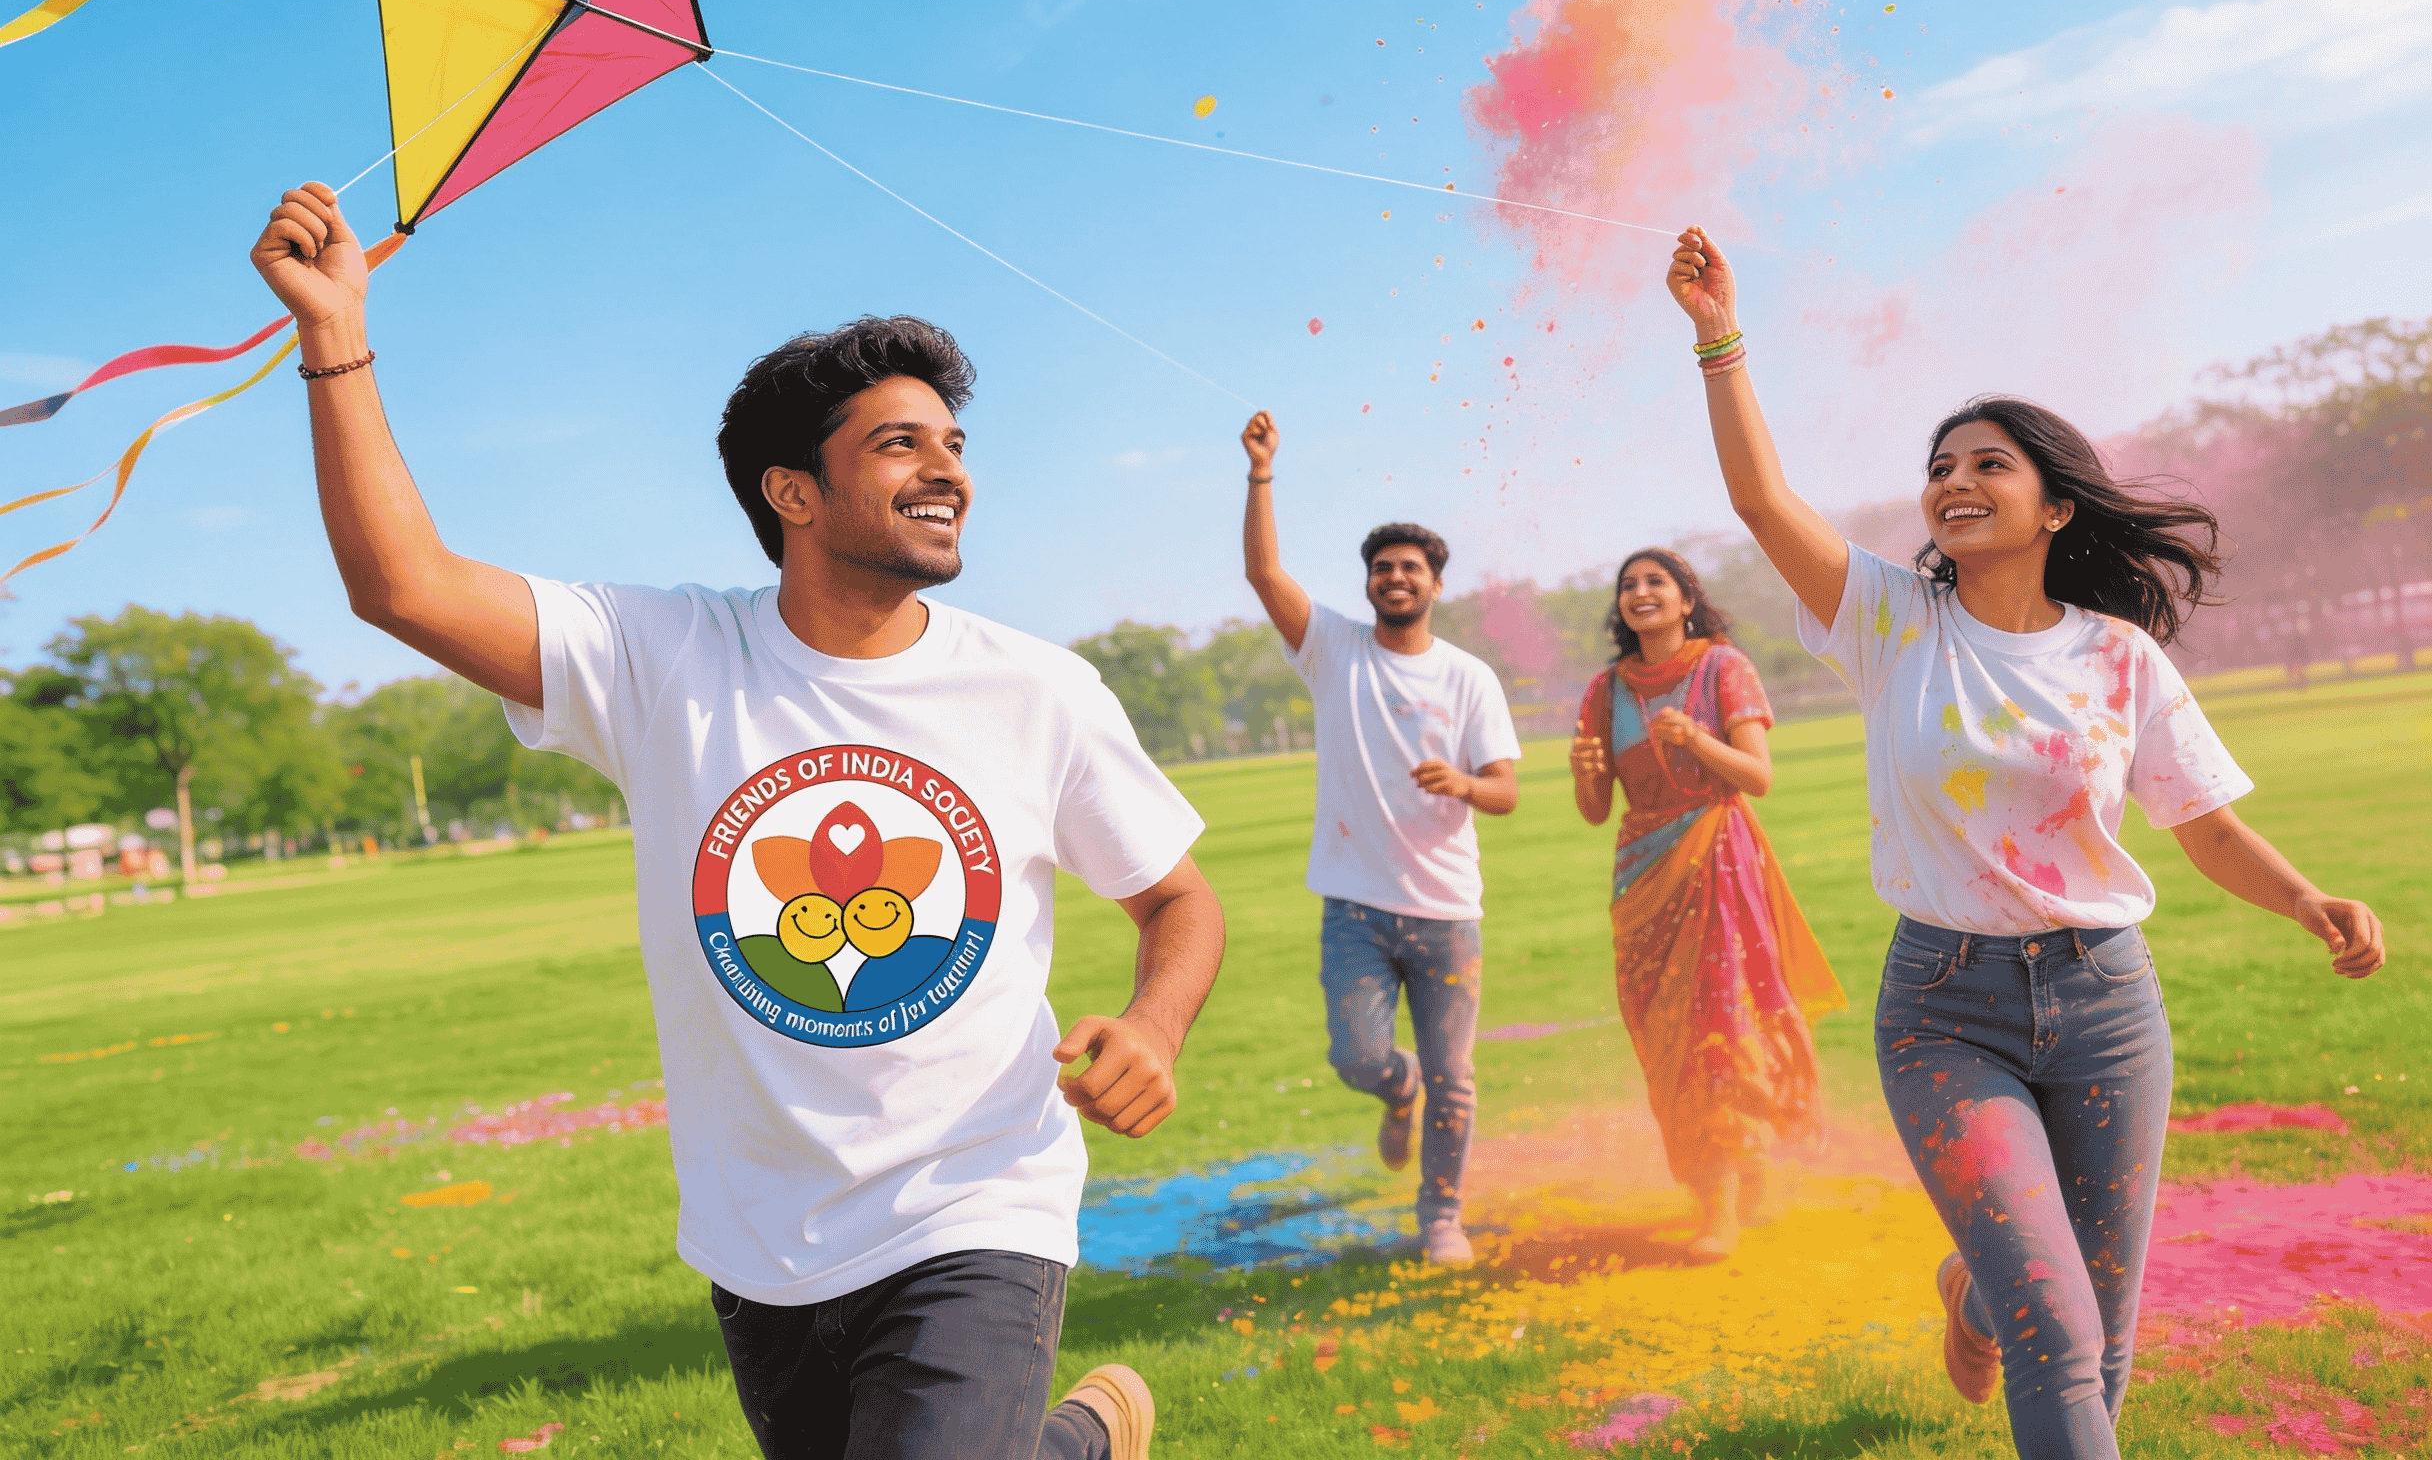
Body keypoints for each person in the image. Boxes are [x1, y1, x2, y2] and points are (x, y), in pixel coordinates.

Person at [252, 182, 1228, 1460]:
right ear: (793, 492)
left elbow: (1177, 896)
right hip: (759, 1236)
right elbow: (402, 584)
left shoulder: (1037, 687)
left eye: (952, 442)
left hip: (976, 1201)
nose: (946, 469)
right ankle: (1082, 1442)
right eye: (897, 443)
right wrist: (334, 333)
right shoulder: (663, 655)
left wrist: (1153, 1023)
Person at [1663, 225, 2386, 1459]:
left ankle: (1970, 1284)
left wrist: (2310, 899)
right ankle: (1991, 1287)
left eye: (1987, 463)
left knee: (2097, 1327)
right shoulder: (1890, 617)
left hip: (2108, 999)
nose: (1952, 480)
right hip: (1946, 1005)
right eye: (1939, 464)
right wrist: (1718, 336)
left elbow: (2200, 823)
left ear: (2053, 502)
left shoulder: (2117, 655)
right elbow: (1758, 498)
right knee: (2053, 1323)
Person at [1238, 408, 1522, 1264]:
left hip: (1446, 911)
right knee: (1359, 1057)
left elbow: (1505, 790)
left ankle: (1441, 1218)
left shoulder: (1468, 676)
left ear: (1437, 584)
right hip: (1356, 909)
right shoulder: (1332, 650)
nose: (1396, 577)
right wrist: (1261, 471)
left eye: (1412, 568)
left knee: (1458, 1079)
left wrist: (1465, 783)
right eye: (1383, 568)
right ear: (1367, 584)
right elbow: (1262, 572)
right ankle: (1392, 1088)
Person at [1567, 548, 1844, 1261]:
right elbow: (1598, 811)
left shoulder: (1724, 668)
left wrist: (1696, 740)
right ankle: (1737, 1168)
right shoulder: (1605, 691)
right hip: (1640, 876)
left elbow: (1757, 776)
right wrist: (1585, 774)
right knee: (1662, 1039)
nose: (1640, 592)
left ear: (1687, 598)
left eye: (1656, 582)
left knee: (1719, 1028)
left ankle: (1716, 1202)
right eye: (1628, 584)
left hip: (1719, 861)